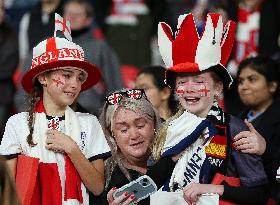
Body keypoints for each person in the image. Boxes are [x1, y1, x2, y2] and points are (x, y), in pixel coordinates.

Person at [151, 12, 269, 204]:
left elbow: (259, 195)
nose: (189, 89)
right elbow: (152, 182)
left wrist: (212, 189)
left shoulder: (235, 129)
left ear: (218, 88)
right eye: (182, 82)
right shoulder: (168, 128)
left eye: (199, 81)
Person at [0, 15, 110, 204]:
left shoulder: (89, 122)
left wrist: (72, 148)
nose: (75, 84)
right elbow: (8, 192)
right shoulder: (17, 123)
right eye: (67, 75)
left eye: (79, 78)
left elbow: (98, 187)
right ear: (43, 78)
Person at [92, 88, 179, 205]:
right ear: (112, 134)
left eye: (140, 125)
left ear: (154, 123)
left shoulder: (178, 153)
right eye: (124, 129)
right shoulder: (102, 180)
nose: (134, 135)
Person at [63, 0, 122, 116]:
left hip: (90, 113)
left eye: (78, 14)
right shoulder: (49, 45)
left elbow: (115, 85)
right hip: (50, 114)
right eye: (69, 14)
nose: (72, 18)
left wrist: (110, 115)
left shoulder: (100, 47)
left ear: (88, 20)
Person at [236, 55, 280, 202]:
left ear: (272, 85)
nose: (244, 86)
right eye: (241, 81)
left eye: (252, 79)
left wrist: (265, 150)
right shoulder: (234, 119)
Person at [0, 0, 19, 138]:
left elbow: (7, 67)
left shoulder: (9, 33)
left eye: (2, 8)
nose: (1, 13)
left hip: (2, 94)